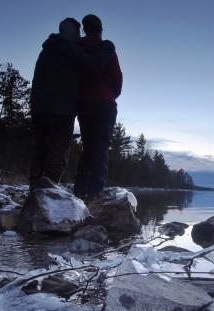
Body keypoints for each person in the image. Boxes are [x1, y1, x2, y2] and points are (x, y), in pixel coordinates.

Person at [29, 18, 111, 190]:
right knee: (57, 155)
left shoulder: (47, 48)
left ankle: (34, 194)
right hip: (60, 110)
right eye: (78, 33)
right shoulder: (68, 47)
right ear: (72, 33)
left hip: (38, 109)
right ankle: (46, 198)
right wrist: (105, 47)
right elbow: (94, 67)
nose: (80, 36)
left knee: (40, 153)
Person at [73, 14, 123, 200]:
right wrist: (110, 94)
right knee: (100, 146)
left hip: (84, 103)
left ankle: (79, 190)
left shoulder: (77, 47)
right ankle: (96, 193)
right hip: (104, 103)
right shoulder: (106, 47)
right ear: (100, 30)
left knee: (88, 146)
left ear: (85, 29)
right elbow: (118, 77)